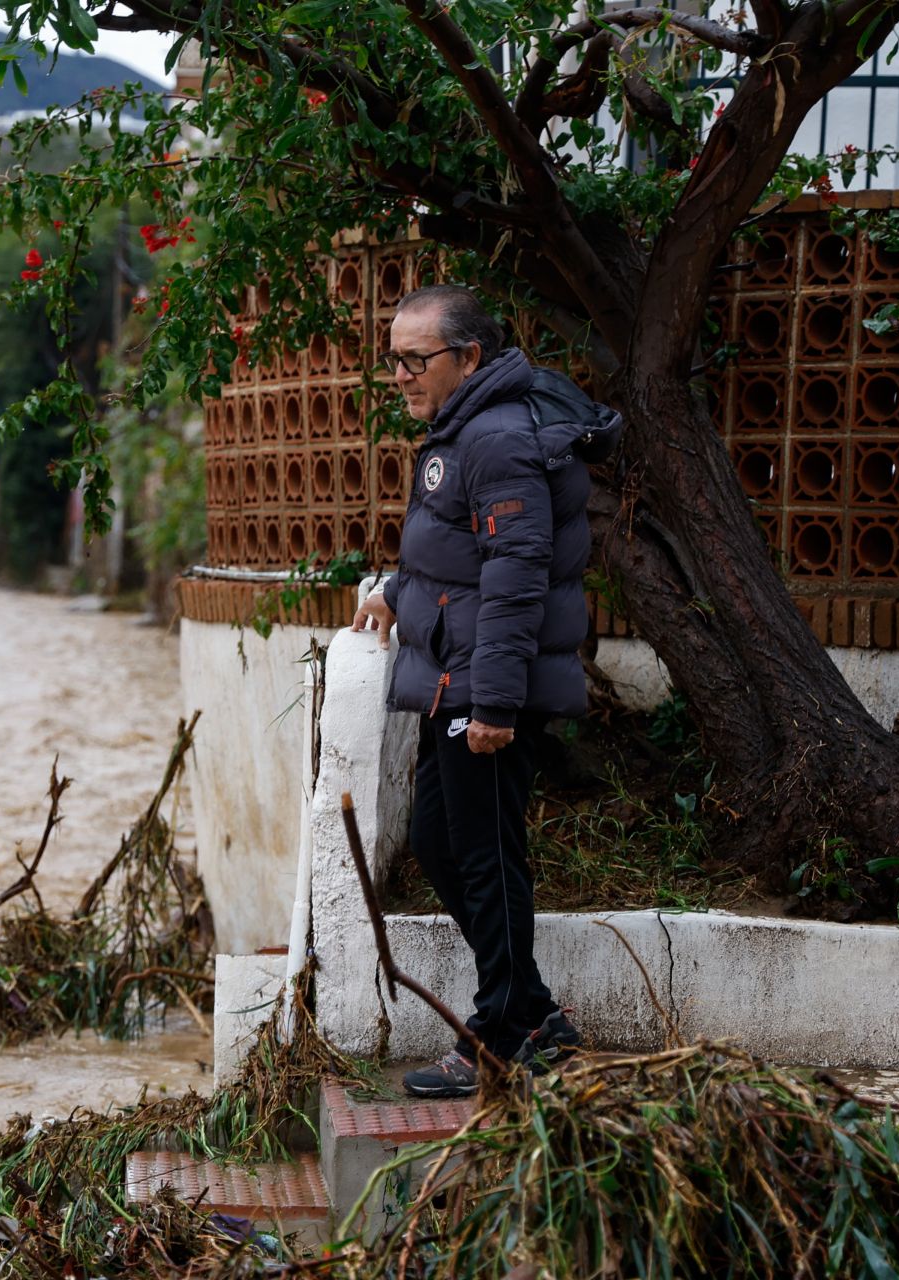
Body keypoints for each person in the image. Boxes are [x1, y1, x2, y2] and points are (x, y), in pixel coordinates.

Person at [350, 284, 605, 1097]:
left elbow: (517, 575)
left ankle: (498, 1036)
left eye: (415, 359)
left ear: (470, 359)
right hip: (453, 681)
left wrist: (494, 705)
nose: (400, 375)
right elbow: (455, 551)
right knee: (437, 840)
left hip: (482, 688)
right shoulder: (464, 433)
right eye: (393, 359)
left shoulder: (496, 442)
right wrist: (397, 587)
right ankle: (537, 1018)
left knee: (489, 860)